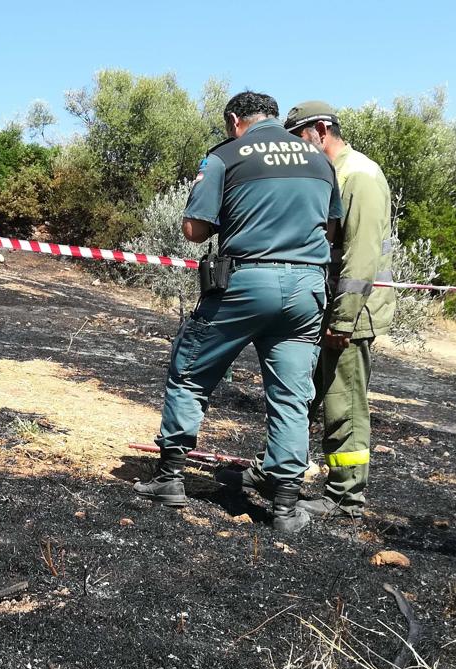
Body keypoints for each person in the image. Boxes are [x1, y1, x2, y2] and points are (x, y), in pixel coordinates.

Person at [133, 91, 342, 534]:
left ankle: (170, 476)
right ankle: (285, 504)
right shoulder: (320, 160)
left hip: (245, 283)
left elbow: (194, 230)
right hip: (307, 289)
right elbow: (332, 226)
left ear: (234, 120)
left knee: (190, 372)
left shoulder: (226, 156)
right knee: (291, 394)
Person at [284, 101, 396, 518]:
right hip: (327, 309)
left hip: (351, 314)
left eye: (298, 137)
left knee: (343, 403)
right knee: (306, 395)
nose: (295, 147)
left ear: (321, 129)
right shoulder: (331, 174)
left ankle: (344, 497)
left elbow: (361, 258)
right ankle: (279, 470)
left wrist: (343, 319)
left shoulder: (360, 175)